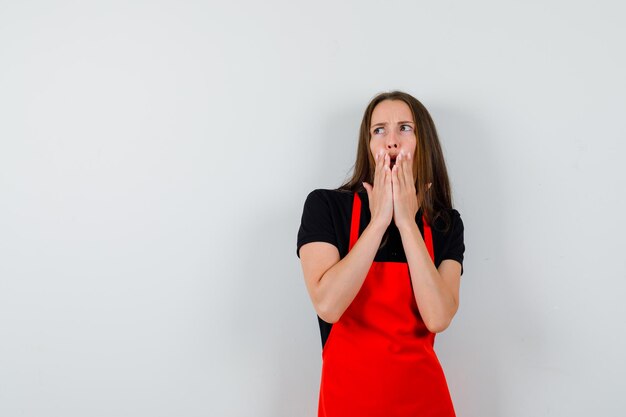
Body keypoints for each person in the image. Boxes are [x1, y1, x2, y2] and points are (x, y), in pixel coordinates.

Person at [296, 90, 465, 417]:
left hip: (424, 403)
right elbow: (328, 305)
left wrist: (406, 223)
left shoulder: (444, 222)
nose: (391, 141)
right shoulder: (326, 207)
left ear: (423, 142)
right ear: (368, 144)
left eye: (405, 128)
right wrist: (378, 223)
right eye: (379, 130)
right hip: (347, 403)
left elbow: (438, 317)